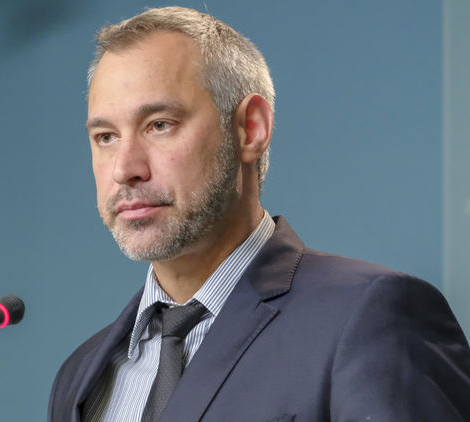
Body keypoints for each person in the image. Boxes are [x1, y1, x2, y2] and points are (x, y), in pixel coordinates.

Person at [48, 6, 470, 422]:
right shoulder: (78, 375)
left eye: (160, 124)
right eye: (106, 137)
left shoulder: (369, 318)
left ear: (251, 129)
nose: (124, 169)